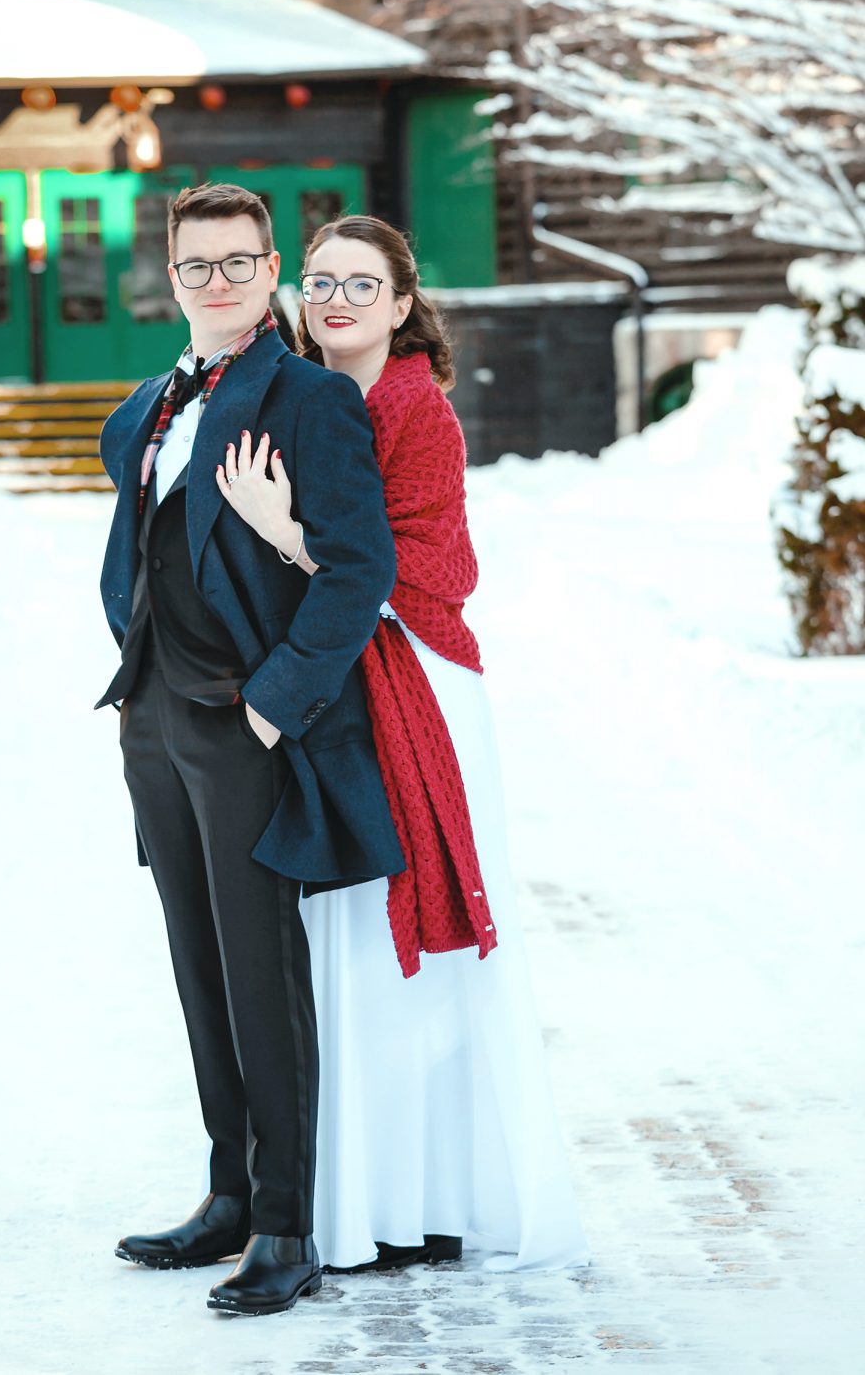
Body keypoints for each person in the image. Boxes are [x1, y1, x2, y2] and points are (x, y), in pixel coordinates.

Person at [216, 215, 589, 1273]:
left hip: (415, 672)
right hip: (338, 674)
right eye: (321, 282)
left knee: (397, 936)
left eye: (359, 286)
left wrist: (288, 534)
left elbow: (426, 569)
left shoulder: (413, 409)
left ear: (399, 302)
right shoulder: (295, 397)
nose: (335, 301)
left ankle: (425, 1196)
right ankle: (354, 1191)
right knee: (342, 937)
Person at [95, 186, 405, 1316]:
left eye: (238, 263)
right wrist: (138, 678)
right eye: (196, 265)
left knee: (264, 978)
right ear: (171, 275)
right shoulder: (144, 406)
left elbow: (358, 570)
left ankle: (285, 1225)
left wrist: (274, 705)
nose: (216, 281)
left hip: (247, 724)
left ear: (272, 272)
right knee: (198, 971)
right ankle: (227, 1193)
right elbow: (134, 549)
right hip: (157, 722)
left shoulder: (310, 398)